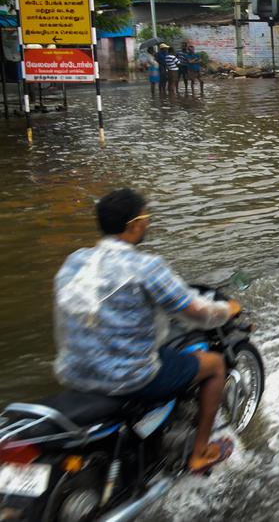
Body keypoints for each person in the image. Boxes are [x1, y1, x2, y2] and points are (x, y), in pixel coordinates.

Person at [54, 189, 240, 474]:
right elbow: (197, 312)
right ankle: (200, 453)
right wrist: (228, 310)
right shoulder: (145, 267)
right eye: (146, 217)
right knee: (214, 365)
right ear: (132, 225)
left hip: (76, 372)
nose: (148, 223)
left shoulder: (75, 261)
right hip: (131, 378)